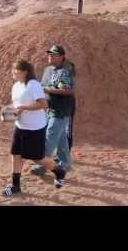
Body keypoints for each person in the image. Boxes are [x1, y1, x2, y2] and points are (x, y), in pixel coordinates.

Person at [3, 60, 67, 196]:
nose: (13, 72)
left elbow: (43, 104)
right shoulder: (16, 86)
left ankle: (59, 171)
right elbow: (18, 104)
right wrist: (8, 110)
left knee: (37, 158)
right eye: (13, 70)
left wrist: (24, 108)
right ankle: (15, 186)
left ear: (25, 71)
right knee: (16, 155)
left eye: (16, 70)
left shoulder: (34, 85)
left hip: (35, 128)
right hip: (20, 126)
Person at [31, 46, 75, 176]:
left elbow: (69, 90)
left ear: (62, 56)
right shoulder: (48, 70)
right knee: (60, 137)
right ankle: (66, 163)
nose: (50, 56)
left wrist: (48, 90)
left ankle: (44, 165)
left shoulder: (67, 69)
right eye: (49, 54)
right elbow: (42, 86)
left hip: (62, 109)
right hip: (49, 108)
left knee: (50, 136)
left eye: (54, 55)